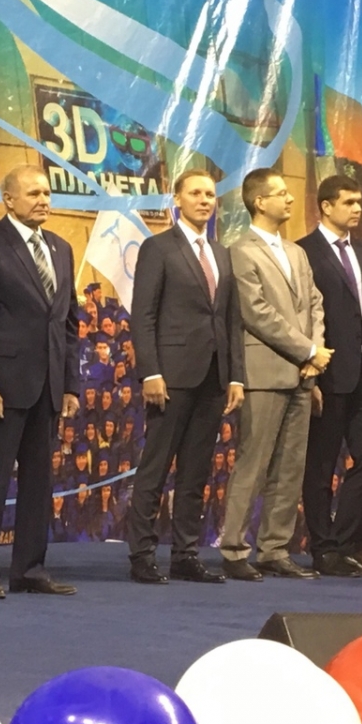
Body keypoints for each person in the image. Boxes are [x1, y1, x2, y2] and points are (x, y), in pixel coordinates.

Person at [0, 164, 79, 598]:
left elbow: (67, 324)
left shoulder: (61, 248)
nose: (43, 200)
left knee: (39, 484)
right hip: (2, 387)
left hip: (48, 386)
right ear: (8, 199)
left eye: (46, 193)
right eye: (33, 193)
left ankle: (29, 568)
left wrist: (70, 384)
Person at [126, 170, 245, 584]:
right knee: (155, 470)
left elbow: (231, 320)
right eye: (195, 193)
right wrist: (150, 371)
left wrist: (236, 377)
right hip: (171, 377)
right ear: (177, 200)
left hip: (214, 377)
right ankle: (142, 555)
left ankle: (185, 554)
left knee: (195, 472)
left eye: (210, 194)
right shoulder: (158, 248)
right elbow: (143, 315)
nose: (204, 200)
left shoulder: (222, 253)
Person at [220, 168, 328, 580]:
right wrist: (308, 349)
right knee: (254, 463)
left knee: (290, 468)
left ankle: (274, 549)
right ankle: (234, 549)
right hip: (265, 371)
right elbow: (257, 313)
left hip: (303, 373)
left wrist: (314, 354)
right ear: (259, 202)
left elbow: (314, 303)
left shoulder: (296, 252)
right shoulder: (240, 251)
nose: (289, 198)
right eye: (281, 193)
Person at [298, 176, 362, 577]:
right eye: (349, 202)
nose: (357, 209)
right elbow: (302, 315)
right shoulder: (304, 251)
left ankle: (347, 542)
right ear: (326, 206)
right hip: (327, 374)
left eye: (359, 202)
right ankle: (323, 549)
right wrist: (309, 376)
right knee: (320, 467)